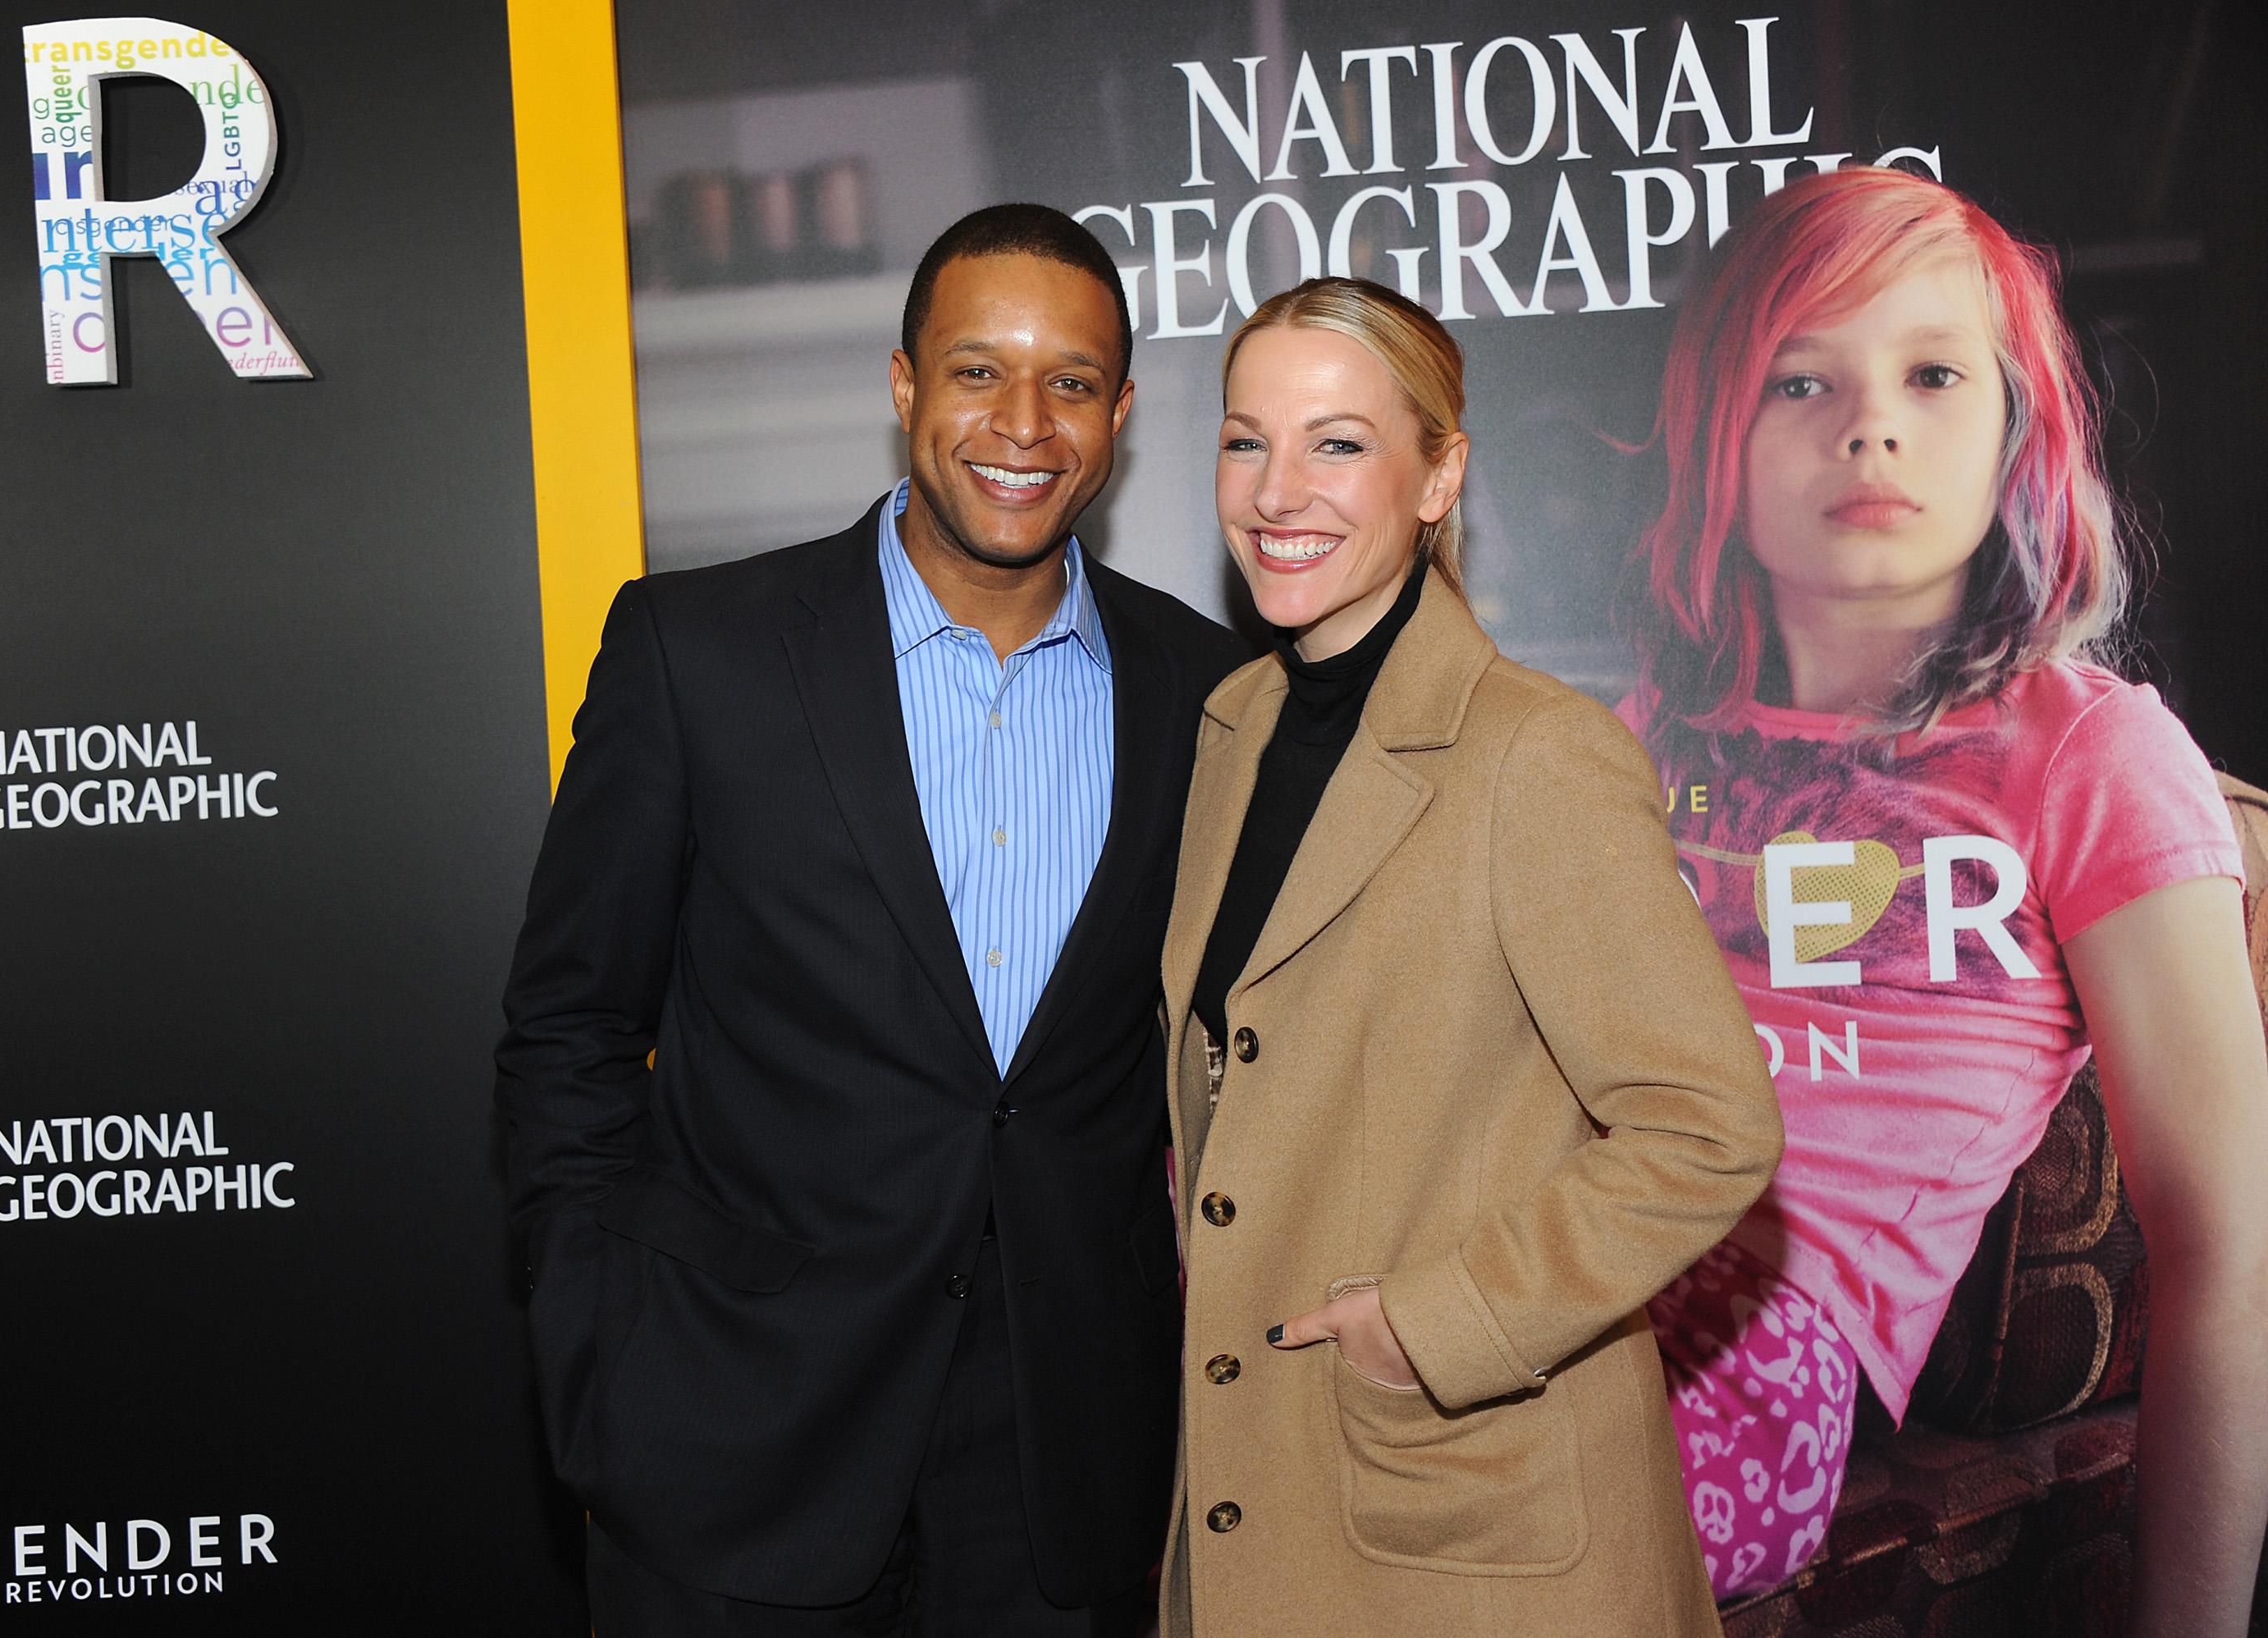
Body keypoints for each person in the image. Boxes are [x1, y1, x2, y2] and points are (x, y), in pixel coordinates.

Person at [496, 202, 1251, 1635]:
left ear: (1122, 414)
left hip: (1061, 1466)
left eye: (1071, 383)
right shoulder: (698, 651)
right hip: (732, 1425)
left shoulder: (1207, 690)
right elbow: (569, 1028)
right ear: (904, 384)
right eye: (977, 371)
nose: (1022, 424)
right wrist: (600, 1342)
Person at [1623, 167, 2268, 1631]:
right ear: (1717, 436)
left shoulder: (2086, 753)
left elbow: (2230, 1245)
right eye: (1801, 380)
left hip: (1763, 1337)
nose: (1871, 423)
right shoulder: (1635, 738)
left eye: (1932, 372)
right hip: (1540, 1247)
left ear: (2015, 434)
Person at [1158, 275, 1784, 1638]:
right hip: (1266, 1488)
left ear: (1440, 475)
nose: (1278, 490)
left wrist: (1439, 1324)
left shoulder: (1535, 755)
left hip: (1465, 1523)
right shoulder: (1230, 733)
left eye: (1338, 442)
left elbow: (1709, 1125)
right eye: (1245, 438)